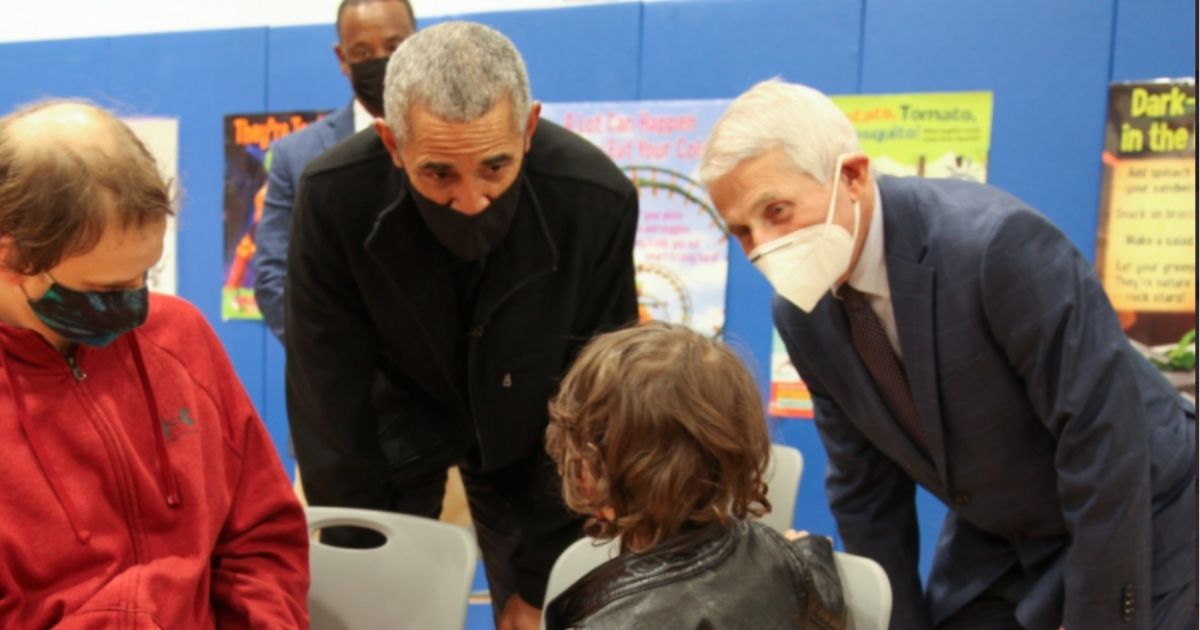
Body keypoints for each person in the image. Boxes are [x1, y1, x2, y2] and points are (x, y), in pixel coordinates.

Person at [699, 79, 1198, 630]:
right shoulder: (801, 314)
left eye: (777, 210)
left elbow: (1103, 442)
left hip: (1143, 503)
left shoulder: (996, 246)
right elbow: (864, 492)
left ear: (853, 176)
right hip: (999, 527)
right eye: (741, 230)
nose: (763, 245)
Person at [285, 21, 639, 629]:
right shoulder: (333, 199)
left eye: (495, 166)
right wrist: (362, 565)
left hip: (538, 429)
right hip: (394, 418)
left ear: (528, 130)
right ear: (393, 145)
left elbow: (594, 404)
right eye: (439, 173)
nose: (472, 200)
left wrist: (541, 579)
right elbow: (328, 403)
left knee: (546, 612)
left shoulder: (593, 199)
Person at [0, 101, 309, 627]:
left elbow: (262, 537)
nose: (136, 304)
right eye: (106, 288)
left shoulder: (179, 338)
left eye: (145, 274)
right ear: (10, 258)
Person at [541, 322, 847, 630]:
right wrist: (809, 554)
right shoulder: (779, 562)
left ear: (587, 475)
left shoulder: (602, 621)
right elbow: (827, 610)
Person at [253, 0, 416, 341]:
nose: (380, 60)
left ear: (417, 43)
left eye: (393, 46)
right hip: (338, 376)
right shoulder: (296, 156)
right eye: (362, 51)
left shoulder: (455, 141)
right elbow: (273, 279)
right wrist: (330, 357)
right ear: (342, 58)